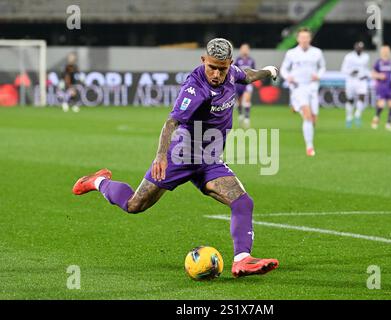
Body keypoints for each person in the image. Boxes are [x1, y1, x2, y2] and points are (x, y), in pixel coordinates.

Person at [72, 38, 280, 278]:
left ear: (229, 64)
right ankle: (98, 181)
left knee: (243, 202)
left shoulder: (231, 73)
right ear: (203, 60)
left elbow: (247, 74)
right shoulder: (196, 88)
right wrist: (161, 156)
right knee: (134, 205)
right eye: (211, 67)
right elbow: (172, 121)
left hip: (209, 158)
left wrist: (269, 71)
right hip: (181, 157)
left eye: (221, 69)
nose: (215, 73)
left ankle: (242, 260)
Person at [280, 27, 326, 157]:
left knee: (313, 119)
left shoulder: (317, 52)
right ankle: (309, 147)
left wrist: (319, 75)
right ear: (298, 38)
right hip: (298, 87)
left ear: (310, 39)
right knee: (307, 115)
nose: (304, 40)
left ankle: (295, 106)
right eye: (302, 37)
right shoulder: (291, 53)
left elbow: (322, 67)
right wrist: (287, 76)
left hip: (312, 87)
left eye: (307, 37)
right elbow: (284, 69)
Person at [341, 42, 370, 128]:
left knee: (362, 96)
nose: (359, 49)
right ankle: (349, 117)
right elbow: (343, 69)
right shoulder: (349, 57)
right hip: (351, 80)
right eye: (358, 47)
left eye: (361, 48)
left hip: (361, 80)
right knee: (350, 99)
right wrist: (351, 72)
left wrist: (367, 75)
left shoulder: (366, 57)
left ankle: (358, 114)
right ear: (355, 47)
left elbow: (366, 68)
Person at [371, 45, 391, 132]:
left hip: (390, 87)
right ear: (381, 52)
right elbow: (373, 74)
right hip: (381, 87)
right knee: (381, 105)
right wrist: (379, 76)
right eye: (384, 51)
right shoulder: (378, 63)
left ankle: (388, 124)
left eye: (387, 51)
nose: (386, 52)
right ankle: (376, 118)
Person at [234, 43, 256, 129]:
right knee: (239, 101)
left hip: (248, 83)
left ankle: (247, 118)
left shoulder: (251, 61)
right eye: (243, 49)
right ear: (241, 50)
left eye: (246, 49)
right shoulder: (237, 60)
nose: (245, 50)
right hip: (239, 83)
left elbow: (254, 72)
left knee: (247, 99)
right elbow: (234, 71)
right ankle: (240, 115)